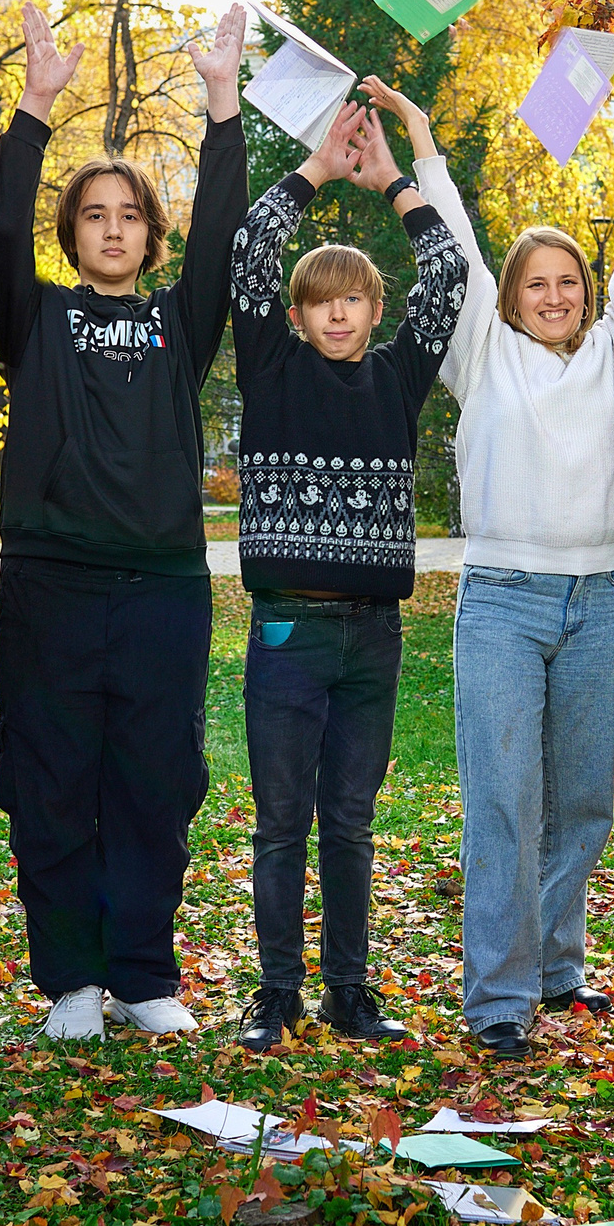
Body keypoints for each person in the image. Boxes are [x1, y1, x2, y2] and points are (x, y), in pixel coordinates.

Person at [0, 5, 252, 1042]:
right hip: (52, 583)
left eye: (127, 215)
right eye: (93, 214)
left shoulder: (176, 325)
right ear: (74, 231)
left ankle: (142, 975)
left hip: (163, 590)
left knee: (154, 780)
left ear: (148, 233)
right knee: (50, 780)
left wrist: (222, 104)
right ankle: (71, 984)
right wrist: (36, 108)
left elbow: (224, 236)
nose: (110, 228)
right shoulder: (36, 320)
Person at [398, 78, 614, 1060]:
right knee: (506, 801)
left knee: (582, 802)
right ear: (509, 297)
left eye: (568, 281)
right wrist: (424, 141)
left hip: (601, 603)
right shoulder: (484, 355)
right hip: (503, 605)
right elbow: (456, 249)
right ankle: (499, 999)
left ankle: (558, 966)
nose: (554, 295)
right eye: (534, 282)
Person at [228, 101, 469, 1051]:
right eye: (321, 298)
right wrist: (318, 169)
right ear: (298, 314)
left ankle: (349, 993)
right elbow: (251, 247)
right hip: (286, 628)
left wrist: (394, 184)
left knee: (351, 824)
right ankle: (276, 994)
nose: (338, 310)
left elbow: (445, 272)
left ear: (374, 309)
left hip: (371, 633)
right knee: (282, 822)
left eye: (355, 297)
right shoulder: (270, 365)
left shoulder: (400, 375)